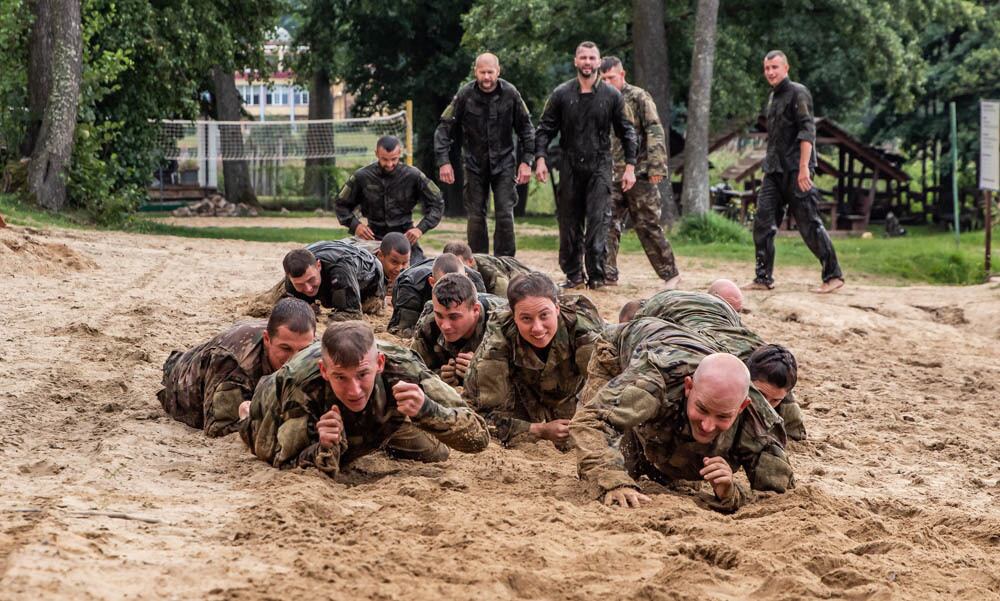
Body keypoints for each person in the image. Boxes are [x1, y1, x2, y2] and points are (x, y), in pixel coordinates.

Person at [571, 328, 794, 512]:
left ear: (743, 406)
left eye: (723, 416)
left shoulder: (759, 423)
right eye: (702, 409)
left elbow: (781, 499)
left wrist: (730, 492)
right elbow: (591, 420)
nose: (708, 425)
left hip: (693, 344)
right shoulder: (652, 382)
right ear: (689, 387)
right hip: (622, 350)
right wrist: (614, 481)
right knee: (616, 461)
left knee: (675, 472)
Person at [240, 321, 489, 478]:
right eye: (341, 377)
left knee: (438, 454)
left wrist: (426, 409)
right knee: (254, 428)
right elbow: (278, 459)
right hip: (282, 404)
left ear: (379, 363)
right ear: (325, 371)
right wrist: (324, 448)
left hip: (381, 420)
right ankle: (245, 410)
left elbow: (477, 438)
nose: (354, 389)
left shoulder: (403, 368)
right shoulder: (301, 385)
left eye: (362, 374)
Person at [534, 41, 638, 290]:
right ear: (575, 61)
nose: (588, 63)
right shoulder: (561, 94)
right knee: (568, 222)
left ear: (599, 62)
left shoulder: (612, 96)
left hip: (600, 163)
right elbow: (544, 129)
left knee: (598, 220)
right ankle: (574, 275)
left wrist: (631, 166)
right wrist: (540, 158)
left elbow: (627, 132)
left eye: (592, 58)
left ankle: (597, 276)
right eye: (583, 58)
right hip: (569, 162)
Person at [462, 272, 605, 450]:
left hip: (567, 393)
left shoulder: (583, 330)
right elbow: (479, 418)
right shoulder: (497, 342)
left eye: (544, 315)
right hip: (520, 395)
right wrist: (539, 430)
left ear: (557, 309)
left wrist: (586, 423)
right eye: (526, 319)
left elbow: (610, 394)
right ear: (513, 316)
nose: (537, 328)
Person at [748, 50, 844, 294]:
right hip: (774, 170)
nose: (770, 72)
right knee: (763, 222)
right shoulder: (773, 97)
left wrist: (804, 168)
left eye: (775, 67)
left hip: (796, 169)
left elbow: (807, 131)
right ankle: (763, 278)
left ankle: (833, 275)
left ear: (786, 68)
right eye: (767, 68)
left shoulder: (798, 93)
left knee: (808, 223)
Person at [157, 298, 316, 437]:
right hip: (182, 382)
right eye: (285, 349)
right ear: (267, 339)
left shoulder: (314, 351)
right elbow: (218, 427)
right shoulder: (234, 364)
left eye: (303, 350)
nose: (295, 358)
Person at [434, 53, 535, 257]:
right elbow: (444, 128)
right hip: (474, 164)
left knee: (505, 214)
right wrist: (444, 161)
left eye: (490, 72)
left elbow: (526, 128)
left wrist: (527, 161)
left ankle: (505, 261)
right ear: (475, 72)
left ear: (498, 71)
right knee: (475, 216)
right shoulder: (464, 95)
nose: (487, 77)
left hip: (505, 163)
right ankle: (479, 261)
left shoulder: (511, 94)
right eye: (483, 72)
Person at [598, 57, 680, 288]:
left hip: (640, 173)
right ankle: (607, 273)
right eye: (602, 79)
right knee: (607, 224)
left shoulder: (638, 97)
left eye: (611, 78)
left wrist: (656, 167)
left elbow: (654, 129)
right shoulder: (601, 100)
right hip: (611, 173)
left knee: (647, 225)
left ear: (622, 75)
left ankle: (670, 273)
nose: (606, 82)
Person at [334, 135, 444, 264]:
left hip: (405, 237)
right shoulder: (362, 176)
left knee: (415, 273)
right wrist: (356, 225)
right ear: (376, 154)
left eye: (394, 159)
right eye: (384, 159)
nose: (389, 164)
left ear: (400, 154)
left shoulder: (413, 176)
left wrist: (420, 229)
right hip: (373, 237)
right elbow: (340, 204)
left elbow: (437, 203)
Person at [410, 272, 507, 386]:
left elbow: (524, 377)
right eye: (439, 315)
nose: (445, 326)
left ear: (475, 310)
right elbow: (415, 368)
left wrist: (485, 371)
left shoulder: (503, 323)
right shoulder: (430, 318)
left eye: (454, 317)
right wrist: (440, 377)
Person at [281, 236, 411, 320]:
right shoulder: (292, 278)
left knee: (364, 308)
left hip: (369, 273)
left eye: (311, 280)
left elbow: (351, 314)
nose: (308, 288)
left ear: (318, 266)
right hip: (331, 251)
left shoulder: (341, 270)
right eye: (299, 284)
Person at [387, 253, 487, 337]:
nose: (453, 292)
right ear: (432, 282)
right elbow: (401, 330)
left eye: (458, 283)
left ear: (466, 278)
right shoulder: (411, 286)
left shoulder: (474, 282)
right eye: (444, 285)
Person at [442, 241, 534, 297]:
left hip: (519, 274)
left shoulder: (491, 273)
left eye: (459, 264)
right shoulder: (442, 266)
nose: (455, 269)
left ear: (471, 262)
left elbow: (503, 302)